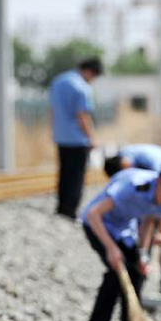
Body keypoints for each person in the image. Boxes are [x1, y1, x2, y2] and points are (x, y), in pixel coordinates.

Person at [81, 163, 161, 321]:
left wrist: (142, 254)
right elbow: (94, 214)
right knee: (115, 272)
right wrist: (111, 248)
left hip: (124, 231)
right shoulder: (132, 185)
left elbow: (148, 222)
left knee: (137, 275)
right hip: (98, 225)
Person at [103, 144, 161, 298]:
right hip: (152, 206)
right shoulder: (128, 160)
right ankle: (138, 287)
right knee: (141, 248)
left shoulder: (156, 173)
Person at [49, 57, 103, 219]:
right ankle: (70, 211)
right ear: (90, 71)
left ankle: (60, 208)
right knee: (77, 177)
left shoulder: (58, 81)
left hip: (61, 136)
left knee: (64, 173)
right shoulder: (81, 87)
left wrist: (53, 131)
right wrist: (92, 137)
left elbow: (51, 109)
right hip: (77, 140)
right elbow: (83, 116)